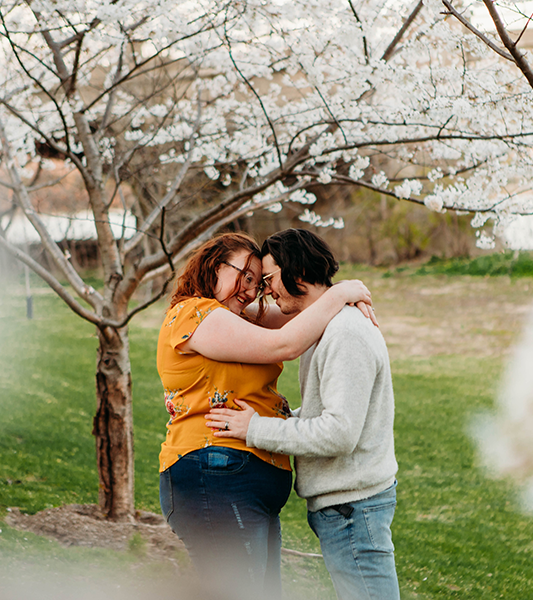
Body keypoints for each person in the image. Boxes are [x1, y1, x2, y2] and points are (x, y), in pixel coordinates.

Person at [156, 232, 374, 600]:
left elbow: (302, 310)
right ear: (213, 265)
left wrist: (347, 297)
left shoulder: (237, 318)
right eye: (244, 276)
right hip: (213, 474)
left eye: (258, 284)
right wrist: (342, 291)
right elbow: (285, 344)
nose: (250, 290)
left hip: (243, 484)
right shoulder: (196, 312)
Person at [206, 228, 400, 600]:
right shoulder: (326, 327)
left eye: (269, 279)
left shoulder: (345, 334)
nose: (267, 290)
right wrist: (279, 417)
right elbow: (325, 414)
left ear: (295, 271)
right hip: (345, 507)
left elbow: (339, 433)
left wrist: (256, 429)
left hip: (353, 508)